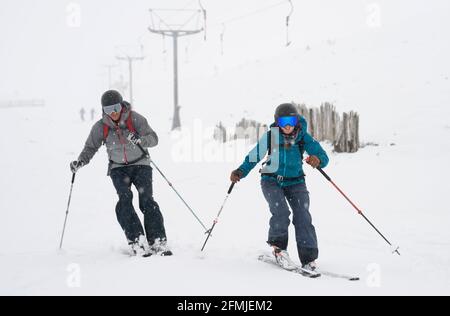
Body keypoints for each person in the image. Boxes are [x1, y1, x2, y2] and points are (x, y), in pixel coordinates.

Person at [70, 90, 172, 257]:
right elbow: (90, 147)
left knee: (146, 200)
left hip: (140, 164)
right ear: (104, 110)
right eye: (109, 110)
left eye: (116, 108)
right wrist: (80, 161)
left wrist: (140, 140)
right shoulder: (100, 127)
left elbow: (153, 138)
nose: (114, 113)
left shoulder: (135, 118)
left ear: (122, 106)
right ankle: (137, 240)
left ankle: (157, 241)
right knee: (124, 200)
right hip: (118, 168)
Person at [230, 103, 329, 271]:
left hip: (296, 181)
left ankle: (308, 258)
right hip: (271, 180)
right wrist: (240, 171)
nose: (288, 126)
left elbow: (323, 157)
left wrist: (317, 160)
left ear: (297, 121)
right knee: (281, 211)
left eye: (291, 121)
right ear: (277, 123)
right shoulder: (271, 136)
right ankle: (279, 249)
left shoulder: (303, 137)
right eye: (284, 122)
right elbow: (254, 156)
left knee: (303, 215)